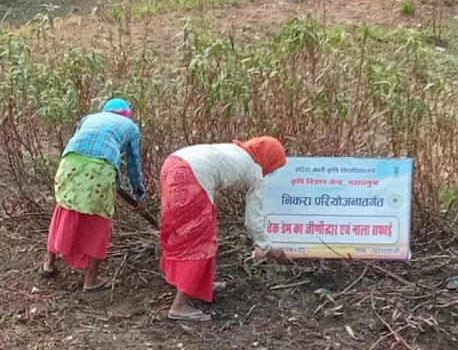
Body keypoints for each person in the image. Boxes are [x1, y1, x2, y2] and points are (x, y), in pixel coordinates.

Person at [158, 136, 286, 322]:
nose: (270, 171)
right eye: (274, 167)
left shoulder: (237, 151)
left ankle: (197, 285)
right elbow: (253, 220)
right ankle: (179, 306)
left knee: (180, 232)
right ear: (269, 159)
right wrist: (267, 247)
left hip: (172, 163)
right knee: (199, 240)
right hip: (192, 175)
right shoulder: (255, 171)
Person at [43, 98, 144, 291]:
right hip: (100, 169)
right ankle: (91, 280)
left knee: (65, 211)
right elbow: (133, 164)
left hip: (69, 164)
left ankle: (49, 264)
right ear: (126, 115)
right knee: (98, 221)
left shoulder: (89, 118)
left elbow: (79, 143)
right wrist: (138, 195)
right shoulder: (131, 127)